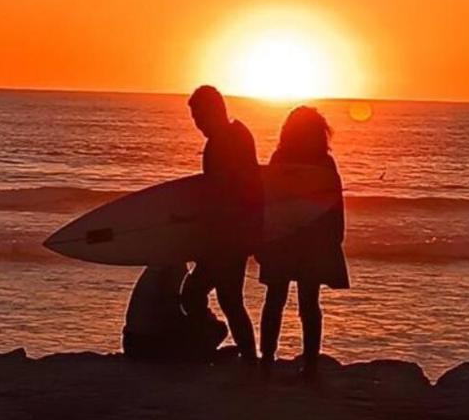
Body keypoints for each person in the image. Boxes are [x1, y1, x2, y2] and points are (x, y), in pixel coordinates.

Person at [258, 106, 348, 380]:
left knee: (275, 300)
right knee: (308, 303)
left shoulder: (281, 158)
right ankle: (310, 366)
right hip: (312, 241)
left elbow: (268, 202)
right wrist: (335, 239)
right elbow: (335, 204)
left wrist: (263, 238)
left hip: (283, 238)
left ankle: (267, 363)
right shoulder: (323, 162)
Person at [179, 85, 262, 364]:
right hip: (233, 235)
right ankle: (248, 357)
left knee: (193, 293)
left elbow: (228, 194)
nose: (197, 124)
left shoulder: (223, 142)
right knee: (229, 299)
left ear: (212, 111)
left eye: (198, 116)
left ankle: (215, 338)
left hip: (227, 237)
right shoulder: (238, 134)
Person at [121, 262, 227, 361]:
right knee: (218, 329)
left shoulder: (159, 266)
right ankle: (201, 354)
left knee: (212, 327)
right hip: (144, 343)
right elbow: (174, 311)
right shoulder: (175, 271)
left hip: (132, 340)